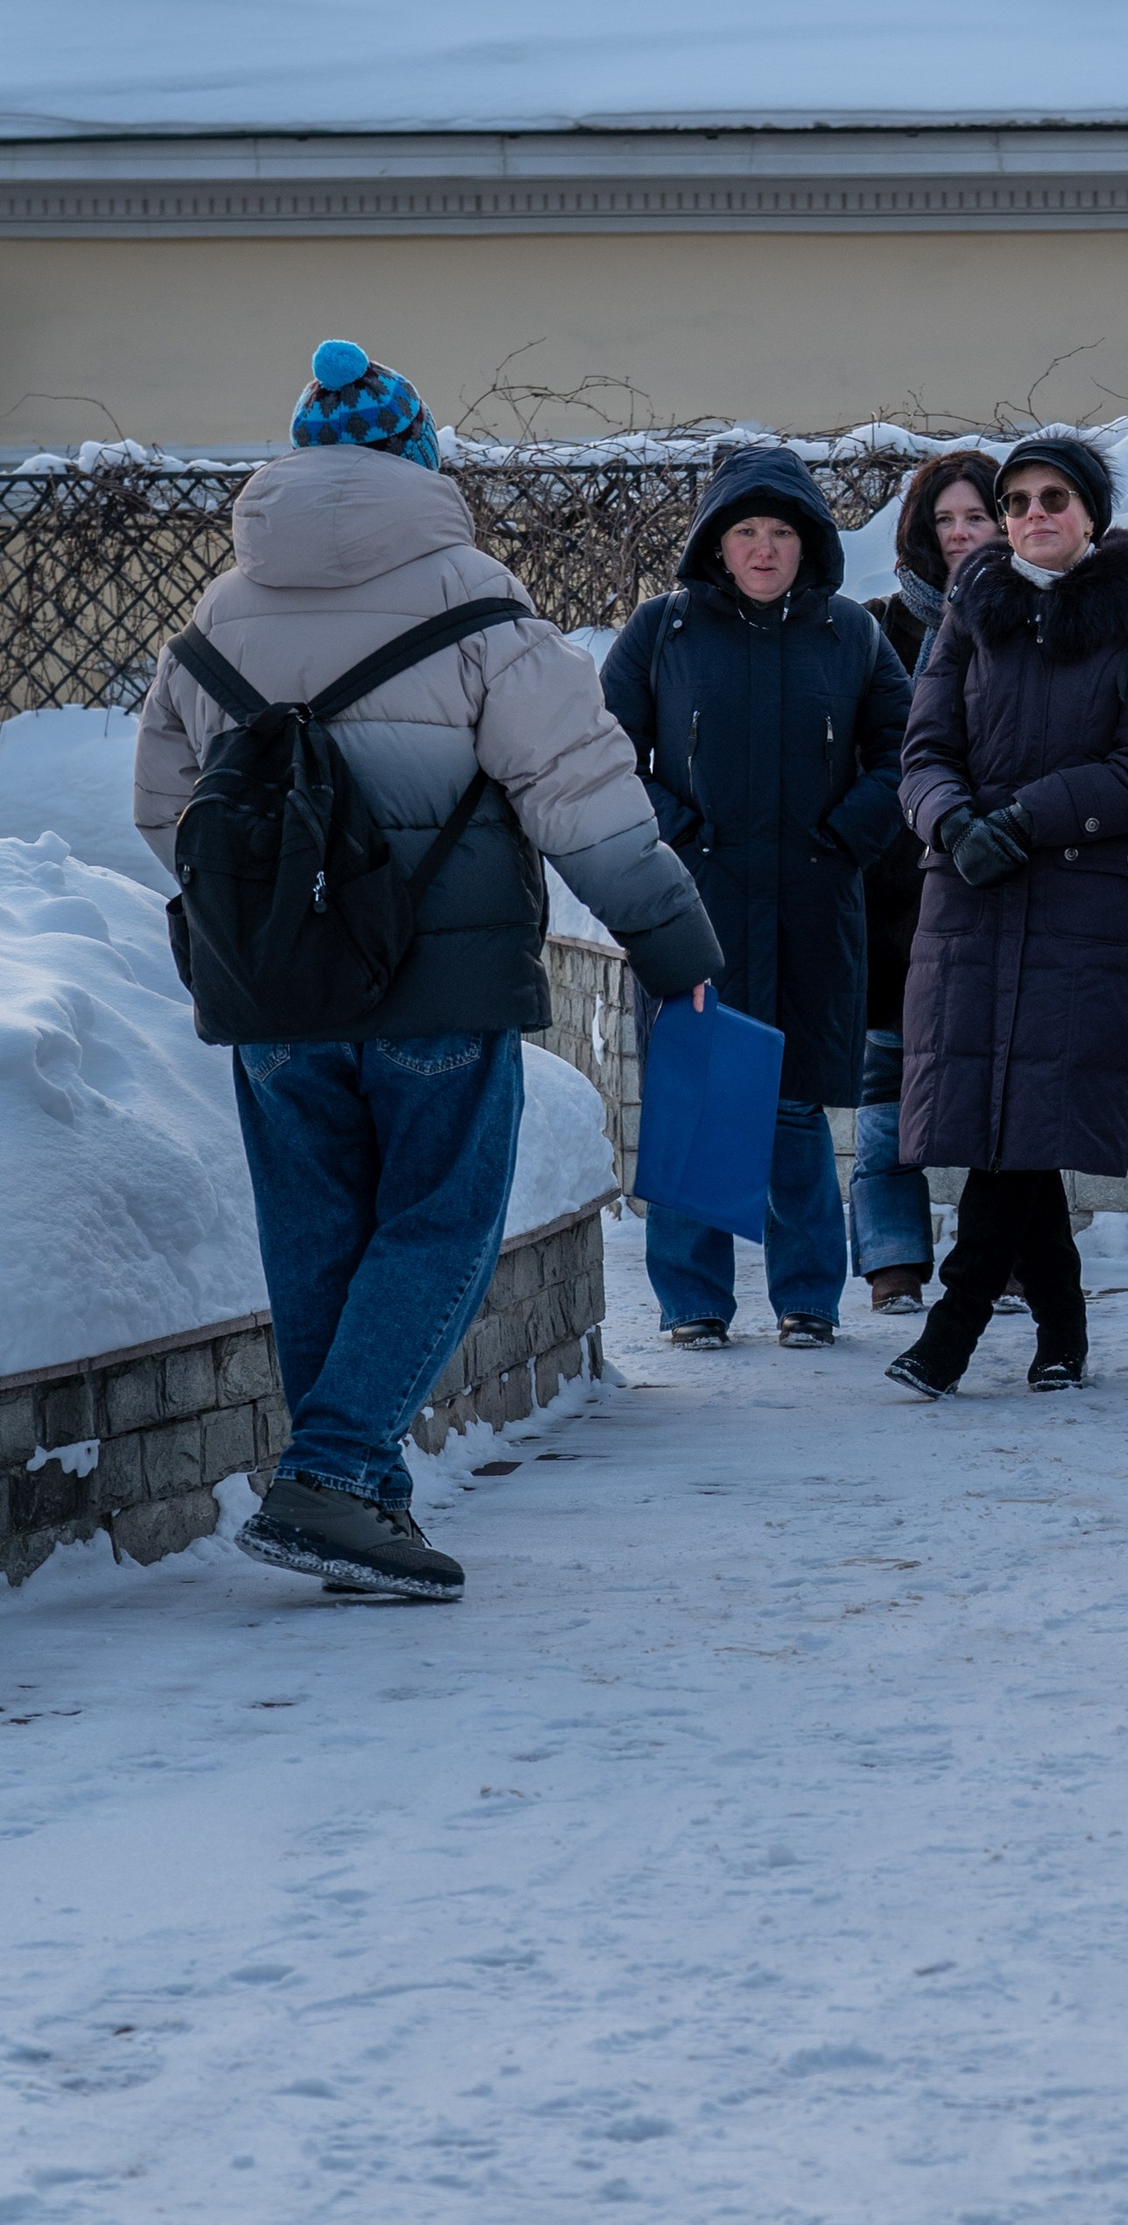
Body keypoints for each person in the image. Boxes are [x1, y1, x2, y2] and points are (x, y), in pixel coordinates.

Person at [134, 338, 721, 1604]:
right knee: (441, 1217)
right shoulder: (477, 604)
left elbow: (166, 810)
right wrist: (675, 948)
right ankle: (338, 1471)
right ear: (419, 460)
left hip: (275, 995)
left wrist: (277, 911)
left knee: (314, 1236)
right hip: (435, 982)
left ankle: (361, 1502)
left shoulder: (215, 617)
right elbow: (584, 802)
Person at [885, 433, 1128, 1397]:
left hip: (1077, 902)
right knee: (1006, 1125)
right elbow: (923, 750)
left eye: (1054, 498)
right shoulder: (972, 613)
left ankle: (956, 1323)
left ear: (1092, 512)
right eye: (1016, 501)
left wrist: (1025, 817)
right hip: (971, 899)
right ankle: (1062, 1329)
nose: (1032, 516)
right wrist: (953, 819)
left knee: (1025, 1124)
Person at [601, 444, 909, 1348]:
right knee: (697, 1092)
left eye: (782, 533)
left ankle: (808, 1295)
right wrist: (679, 833)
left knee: (794, 1100)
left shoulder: (851, 634)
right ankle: (692, 1301)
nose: (765, 550)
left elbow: (905, 748)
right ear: (716, 543)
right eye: (746, 532)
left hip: (814, 904)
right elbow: (607, 753)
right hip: (699, 902)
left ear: (809, 543)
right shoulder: (664, 632)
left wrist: (849, 833)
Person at [857, 452, 1003, 1309]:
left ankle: (1006, 1257)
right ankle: (893, 1266)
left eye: (975, 518)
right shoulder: (877, 628)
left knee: (998, 1090)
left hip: (991, 879)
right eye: (944, 521)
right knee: (885, 1101)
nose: (959, 536)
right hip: (890, 896)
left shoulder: (1025, 619)